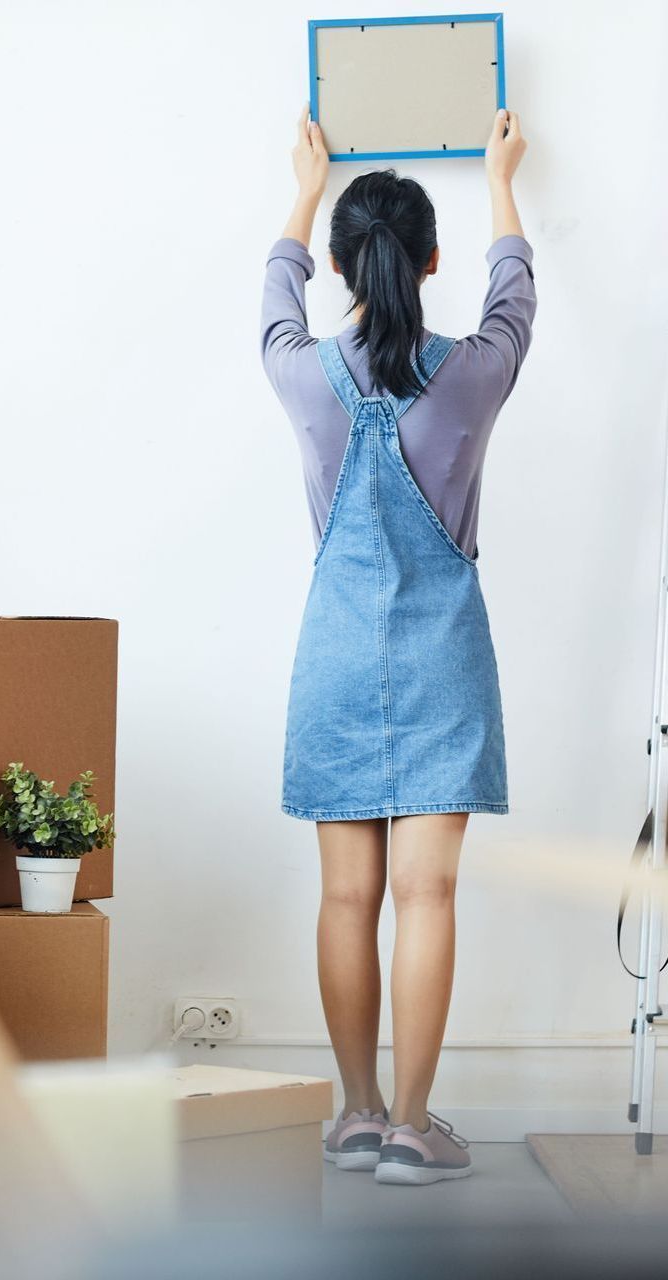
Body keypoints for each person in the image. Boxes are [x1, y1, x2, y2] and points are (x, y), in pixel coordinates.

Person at [261, 107, 534, 1185]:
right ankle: (416, 1128)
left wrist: (300, 185)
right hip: (441, 661)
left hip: (332, 658)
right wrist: (497, 176)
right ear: (427, 260)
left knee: (343, 898)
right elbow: (514, 293)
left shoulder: (298, 372)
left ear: (340, 264)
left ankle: (355, 1113)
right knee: (426, 895)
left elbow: (271, 294)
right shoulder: (470, 371)